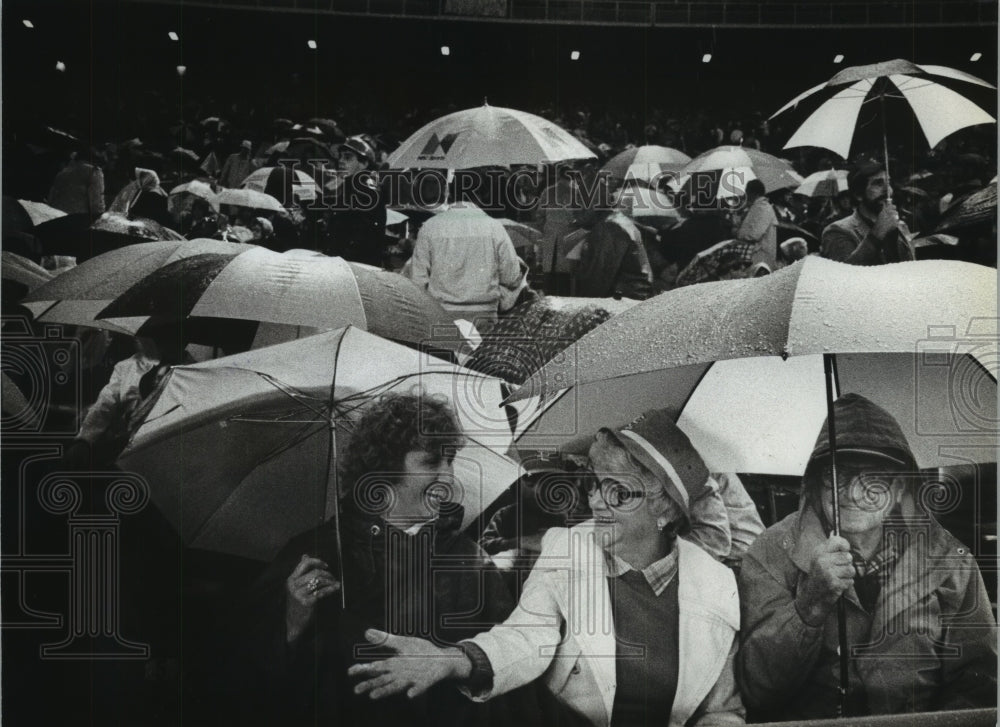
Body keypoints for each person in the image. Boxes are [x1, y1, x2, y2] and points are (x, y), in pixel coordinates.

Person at [349, 410, 744, 727]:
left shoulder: (716, 585)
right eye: (594, 484)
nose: (597, 503)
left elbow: (720, 709)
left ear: (665, 510)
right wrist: (454, 660)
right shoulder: (567, 548)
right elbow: (526, 637)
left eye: (618, 491)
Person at [228, 392, 544, 727]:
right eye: (431, 462)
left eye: (450, 460)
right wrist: (292, 620)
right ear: (386, 466)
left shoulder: (468, 559)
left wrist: (451, 663)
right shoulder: (316, 551)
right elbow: (247, 679)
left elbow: (509, 665)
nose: (448, 477)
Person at [737, 393, 997, 721]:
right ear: (816, 484)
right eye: (839, 475)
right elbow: (758, 691)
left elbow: (980, 685)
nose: (854, 493)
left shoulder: (950, 561)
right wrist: (809, 607)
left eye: (873, 477)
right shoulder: (771, 552)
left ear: (901, 486)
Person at [409, 200, 522, 333]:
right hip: (484, 314)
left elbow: (417, 281)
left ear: (448, 195)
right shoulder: (495, 227)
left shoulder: (430, 226)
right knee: (481, 353)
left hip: (441, 313)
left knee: (440, 354)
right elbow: (512, 277)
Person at [820, 160, 916, 265]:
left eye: (888, 182)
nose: (888, 190)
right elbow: (845, 275)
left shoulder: (901, 227)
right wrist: (876, 234)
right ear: (858, 195)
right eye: (878, 183)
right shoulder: (837, 231)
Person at [325, 135, 388, 266]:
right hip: (345, 261)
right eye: (340, 157)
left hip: (357, 263)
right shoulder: (349, 184)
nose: (341, 161)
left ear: (364, 164)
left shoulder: (367, 188)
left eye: (347, 157)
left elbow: (363, 233)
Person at [573, 207, 653, 299]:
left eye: (578, 208)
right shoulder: (620, 222)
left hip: (623, 300)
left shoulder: (608, 228)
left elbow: (598, 281)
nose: (575, 214)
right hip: (632, 297)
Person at [47, 147, 106, 221]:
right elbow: (96, 206)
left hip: (53, 217)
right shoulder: (94, 172)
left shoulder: (63, 172)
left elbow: (51, 197)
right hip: (76, 220)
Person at [734, 179, 778, 269]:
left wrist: (737, 232)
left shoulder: (762, 208)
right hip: (759, 255)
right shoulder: (757, 207)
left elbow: (753, 234)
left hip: (760, 256)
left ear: (753, 193)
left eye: (747, 192)